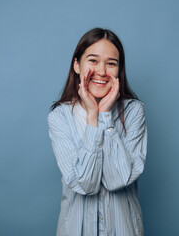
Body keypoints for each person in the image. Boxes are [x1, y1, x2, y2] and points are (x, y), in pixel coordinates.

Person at [48, 28, 147, 236]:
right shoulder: (60, 117)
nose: (101, 71)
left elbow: (118, 179)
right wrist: (92, 117)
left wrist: (104, 117)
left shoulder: (134, 112)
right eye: (93, 60)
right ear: (77, 65)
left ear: (119, 70)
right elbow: (84, 184)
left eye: (111, 63)